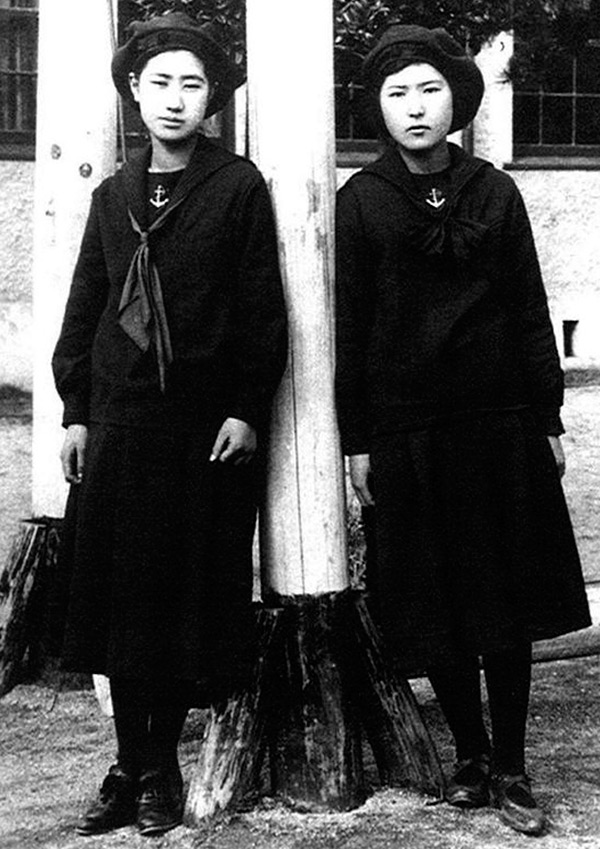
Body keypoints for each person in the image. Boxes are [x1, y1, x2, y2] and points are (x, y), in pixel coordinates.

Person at [335, 23, 591, 837]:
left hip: (497, 424)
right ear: (378, 109)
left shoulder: (494, 191)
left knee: (502, 596)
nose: (416, 108)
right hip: (409, 430)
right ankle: (470, 756)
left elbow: (527, 305)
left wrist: (545, 413)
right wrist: (357, 438)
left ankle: (512, 763)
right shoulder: (362, 201)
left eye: (430, 90)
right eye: (398, 93)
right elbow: (351, 325)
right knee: (436, 594)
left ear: (457, 101)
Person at [52, 12, 287, 837]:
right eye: (159, 83)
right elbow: (84, 309)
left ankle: (159, 765)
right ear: (133, 92)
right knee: (119, 602)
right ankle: (137, 767)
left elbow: (263, 310)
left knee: (179, 602)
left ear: (212, 96)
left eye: (192, 84)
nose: (175, 99)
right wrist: (76, 411)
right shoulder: (113, 195)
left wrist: (245, 407)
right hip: (119, 425)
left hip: (201, 433)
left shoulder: (236, 187)